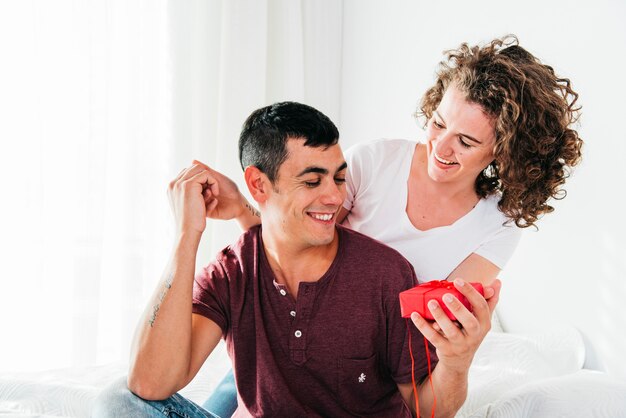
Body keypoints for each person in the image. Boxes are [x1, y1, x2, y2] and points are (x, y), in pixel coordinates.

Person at [201, 35, 583, 416]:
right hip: (288, 348)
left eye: (465, 141)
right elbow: (292, 239)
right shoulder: (375, 161)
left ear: (504, 150)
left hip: (371, 373)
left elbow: (435, 330)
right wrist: (241, 209)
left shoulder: (498, 225)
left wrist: (458, 355)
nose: (441, 147)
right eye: (438, 124)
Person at [92, 101, 499, 417]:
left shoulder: (386, 273)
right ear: (258, 184)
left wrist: (456, 361)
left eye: (338, 177)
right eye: (312, 180)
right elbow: (149, 382)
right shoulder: (231, 271)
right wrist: (187, 235)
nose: (335, 197)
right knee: (118, 402)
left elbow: (426, 411)